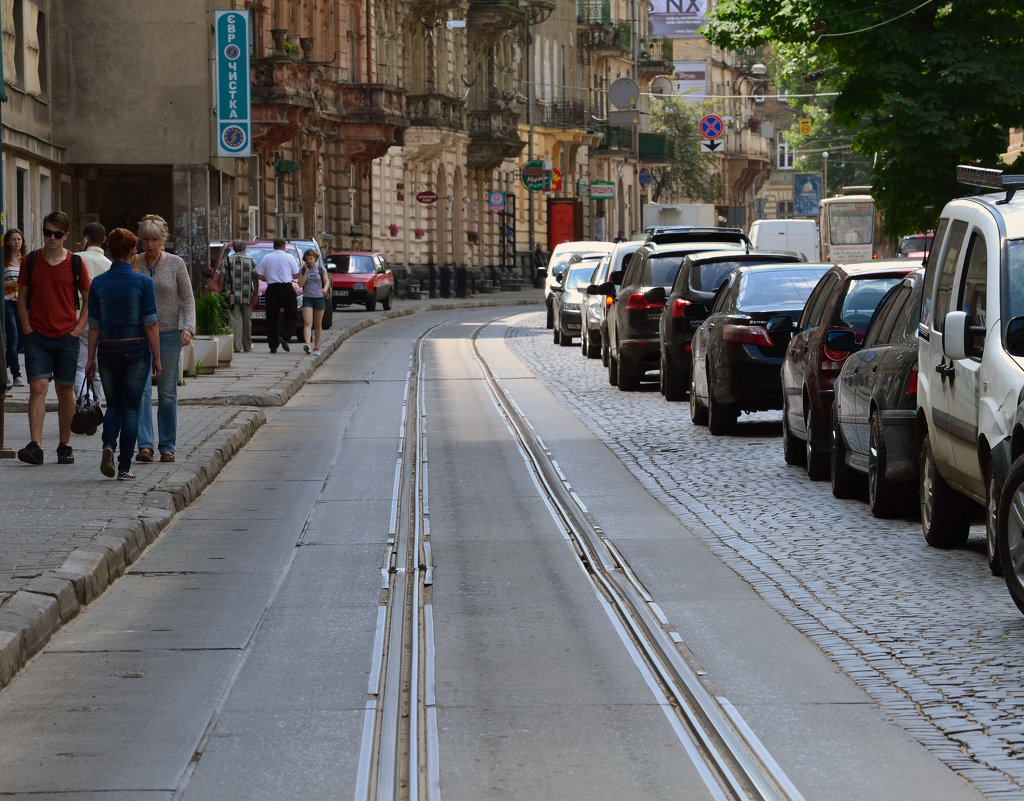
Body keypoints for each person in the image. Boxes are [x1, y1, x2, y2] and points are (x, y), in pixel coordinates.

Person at [84, 228, 161, 481]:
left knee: (114, 404)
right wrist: (158, 359)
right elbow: (150, 323)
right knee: (131, 408)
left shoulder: (99, 283)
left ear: (110, 252)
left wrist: (90, 358)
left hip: (107, 349)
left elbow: (93, 324)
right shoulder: (143, 282)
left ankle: (108, 444)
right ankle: (125, 466)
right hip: (136, 349)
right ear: (132, 252)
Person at [15, 211, 90, 465]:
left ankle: (64, 445)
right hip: (37, 335)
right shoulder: (31, 261)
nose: (51, 238)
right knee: (37, 388)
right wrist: (26, 328)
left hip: (66, 336)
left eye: (57, 234)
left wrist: (79, 329)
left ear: (66, 236)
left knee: (65, 390)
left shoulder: (76, 263)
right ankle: (35, 446)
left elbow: (88, 299)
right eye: (47, 232)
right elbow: (22, 298)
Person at [134, 214, 195, 464]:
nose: (150, 244)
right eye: (146, 239)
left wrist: (187, 327)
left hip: (169, 334)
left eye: (155, 240)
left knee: (168, 393)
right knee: (141, 392)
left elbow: (187, 298)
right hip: (139, 334)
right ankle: (145, 445)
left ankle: (167, 445)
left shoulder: (176, 263)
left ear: (163, 240)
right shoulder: (134, 262)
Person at [74, 222, 111, 403]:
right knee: (95, 366)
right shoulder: (109, 264)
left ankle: (85, 402)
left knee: (80, 366)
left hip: (78, 318)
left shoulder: (75, 259)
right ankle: (96, 404)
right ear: (104, 240)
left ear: (85, 237)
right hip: (102, 320)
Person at [256, 238, 299, 353]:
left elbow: (259, 275)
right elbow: (296, 275)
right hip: (286, 287)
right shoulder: (289, 257)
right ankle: (285, 336)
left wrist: (269, 278)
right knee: (292, 313)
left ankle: (273, 345)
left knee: (271, 317)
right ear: (284, 246)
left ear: (273, 246)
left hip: (272, 289)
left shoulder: (266, 258)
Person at [222, 240, 258, 353]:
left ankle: (236, 346)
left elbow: (221, 277)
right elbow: (255, 278)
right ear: (245, 248)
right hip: (247, 295)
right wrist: (255, 294)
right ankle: (247, 345)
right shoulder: (251, 260)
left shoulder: (227, 260)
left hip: (231, 295)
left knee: (234, 320)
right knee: (247, 320)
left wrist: (221, 291)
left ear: (233, 248)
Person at [3, 227, 26, 389]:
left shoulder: (25, 260)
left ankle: (4, 360)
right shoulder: (3, 260)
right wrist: (8, 283)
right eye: (13, 239)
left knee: (22, 340)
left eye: (19, 239)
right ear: (8, 242)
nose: (17, 242)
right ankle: (17, 375)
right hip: (7, 302)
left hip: (22, 303)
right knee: (13, 338)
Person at [298, 249, 329, 355]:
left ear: (315, 258)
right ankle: (307, 344)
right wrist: (306, 272)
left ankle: (317, 347)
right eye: (306, 259)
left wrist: (325, 288)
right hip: (307, 298)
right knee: (307, 322)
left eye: (311, 259)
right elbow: (300, 284)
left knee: (318, 324)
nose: (309, 261)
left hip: (319, 298)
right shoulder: (302, 270)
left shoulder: (321, 269)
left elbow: (326, 281)